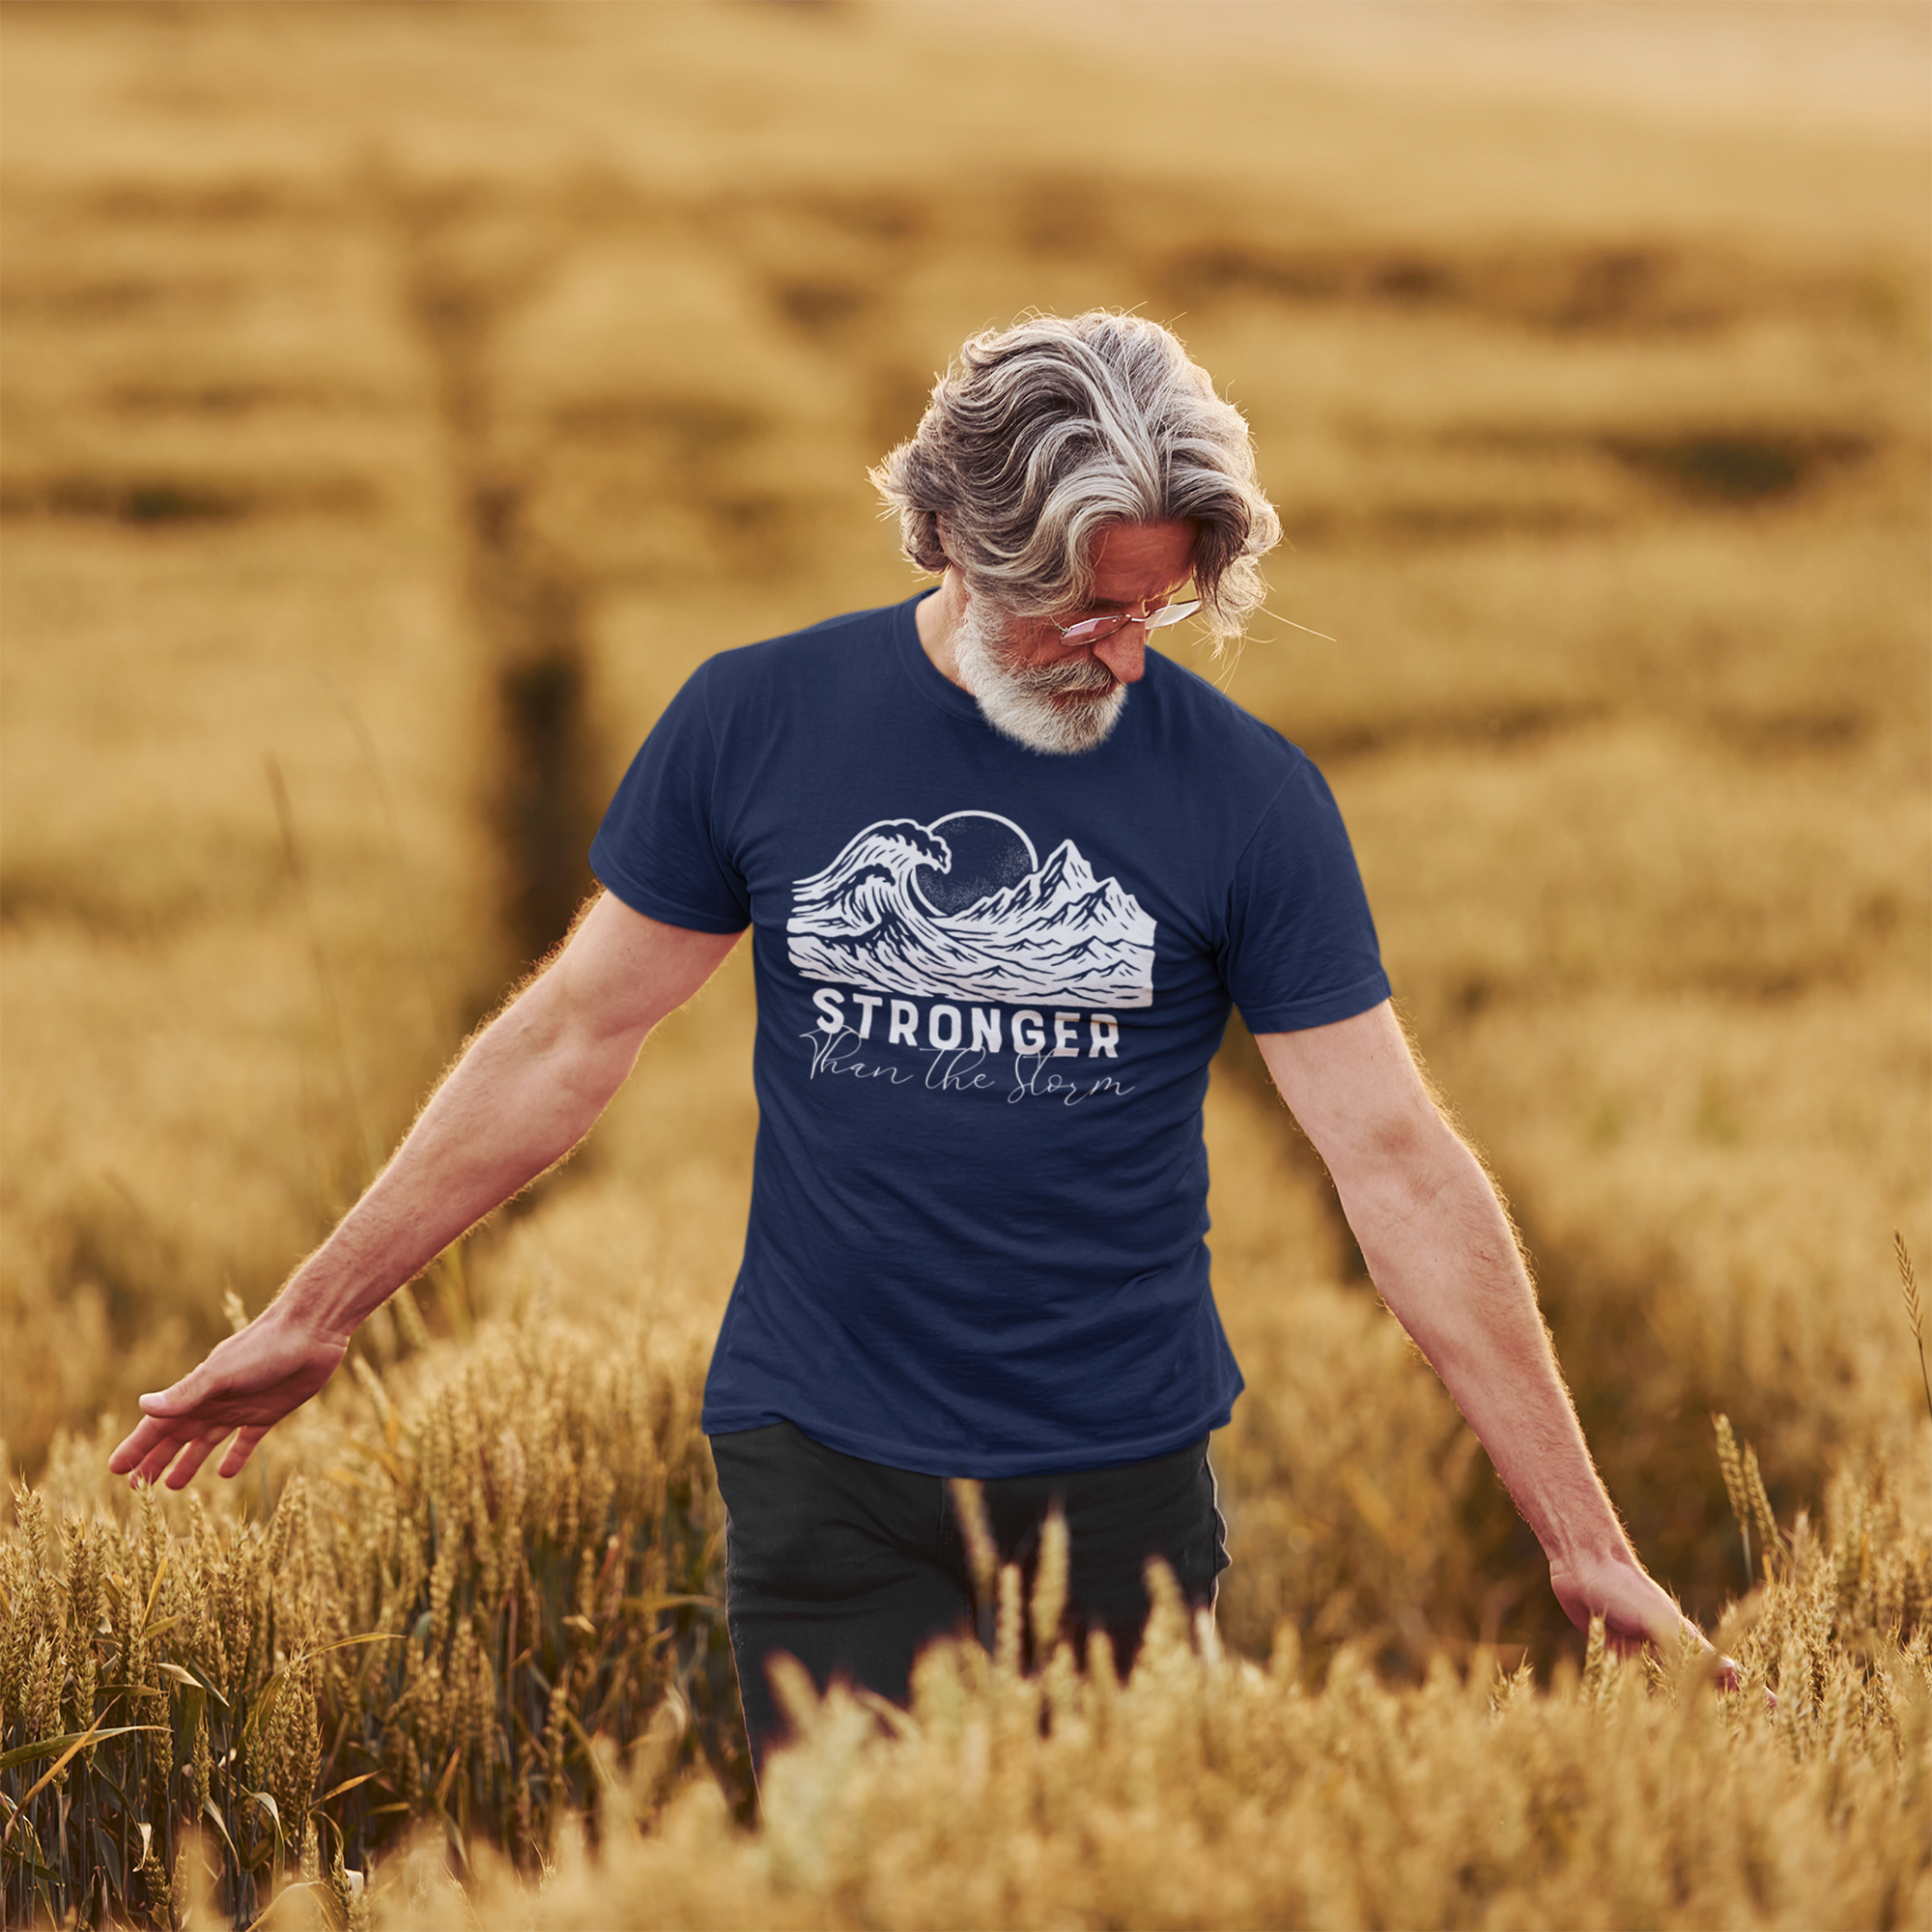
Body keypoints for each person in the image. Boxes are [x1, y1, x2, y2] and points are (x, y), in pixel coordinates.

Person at [112, 311, 1702, 1773]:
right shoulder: (757, 721)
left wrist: (1583, 1540)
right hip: (827, 1469)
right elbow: (569, 1037)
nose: (1122, 656)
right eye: (1078, 609)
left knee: (1117, 1879)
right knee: (853, 1881)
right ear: (946, 535)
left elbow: (1398, 1163)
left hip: (1124, 1477)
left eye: (1152, 613)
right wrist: (321, 1312)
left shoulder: (1249, 798)